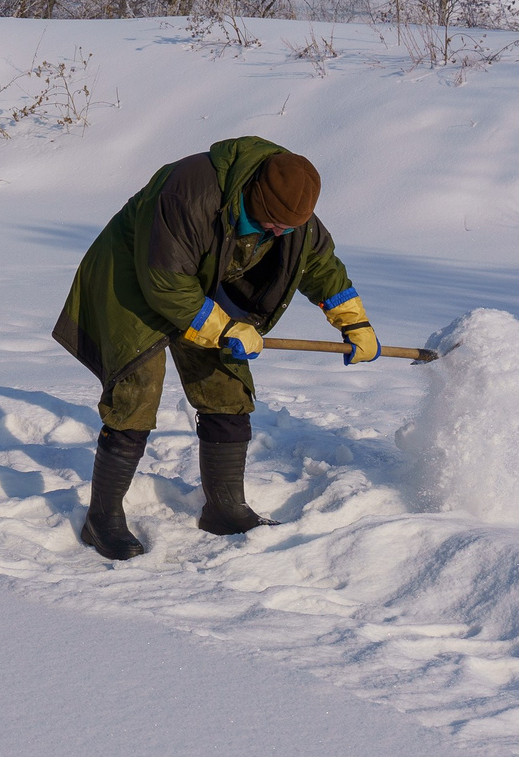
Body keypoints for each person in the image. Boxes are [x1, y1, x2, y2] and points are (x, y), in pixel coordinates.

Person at [51, 137, 378, 559]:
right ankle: (102, 519)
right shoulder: (188, 190)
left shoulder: (292, 217)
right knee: (137, 392)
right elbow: (165, 282)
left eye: (289, 227)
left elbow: (319, 265)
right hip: (134, 276)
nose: (279, 233)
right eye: (272, 223)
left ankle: (225, 510)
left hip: (201, 280)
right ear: (253, 195)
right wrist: (225, 327)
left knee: (228, 388)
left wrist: (355, 322)